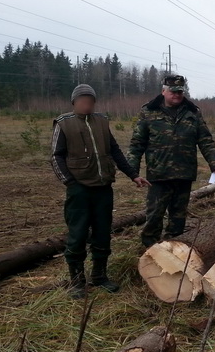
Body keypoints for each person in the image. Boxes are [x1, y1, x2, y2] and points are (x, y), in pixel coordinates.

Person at [51, 84, 150, 299]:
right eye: (82, 100)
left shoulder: (102, 122)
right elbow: (56, 156)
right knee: (77, 235)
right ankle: (77, 281)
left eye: (90, 100)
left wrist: (133, 175)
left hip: (104, 189)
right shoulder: (63, 123)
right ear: (74, 102)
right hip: (79, 190)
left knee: (103, 234)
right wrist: (69, 182)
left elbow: (114, 151)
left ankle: (100, 276)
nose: (87, 104)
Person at [128, 75, 215, 248]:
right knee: (154, 216)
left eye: (180, 91)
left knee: (178, 218)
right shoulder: (149, 112)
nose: (177, 95)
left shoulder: (192, 112)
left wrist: (214, 162)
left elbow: (205, 139)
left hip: (184, 174)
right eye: (173, 91)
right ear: (163, 91)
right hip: (158, 175)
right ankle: (149, 251)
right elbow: (137, 143)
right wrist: (132, 171)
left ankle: (174, 250)